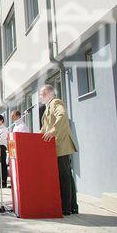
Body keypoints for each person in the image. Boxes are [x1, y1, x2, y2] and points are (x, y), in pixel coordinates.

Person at [40, 85, 78, 215]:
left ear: (47, 93)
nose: (40, 97)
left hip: (62, 145)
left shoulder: (56, 102)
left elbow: (62, 116)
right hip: (56, 146)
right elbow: (45, 128)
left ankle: (66, 208)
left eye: (41, 94)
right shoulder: (47, 108)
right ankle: (73, 206)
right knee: (66, 175)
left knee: (64, 176)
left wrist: (53, 130)